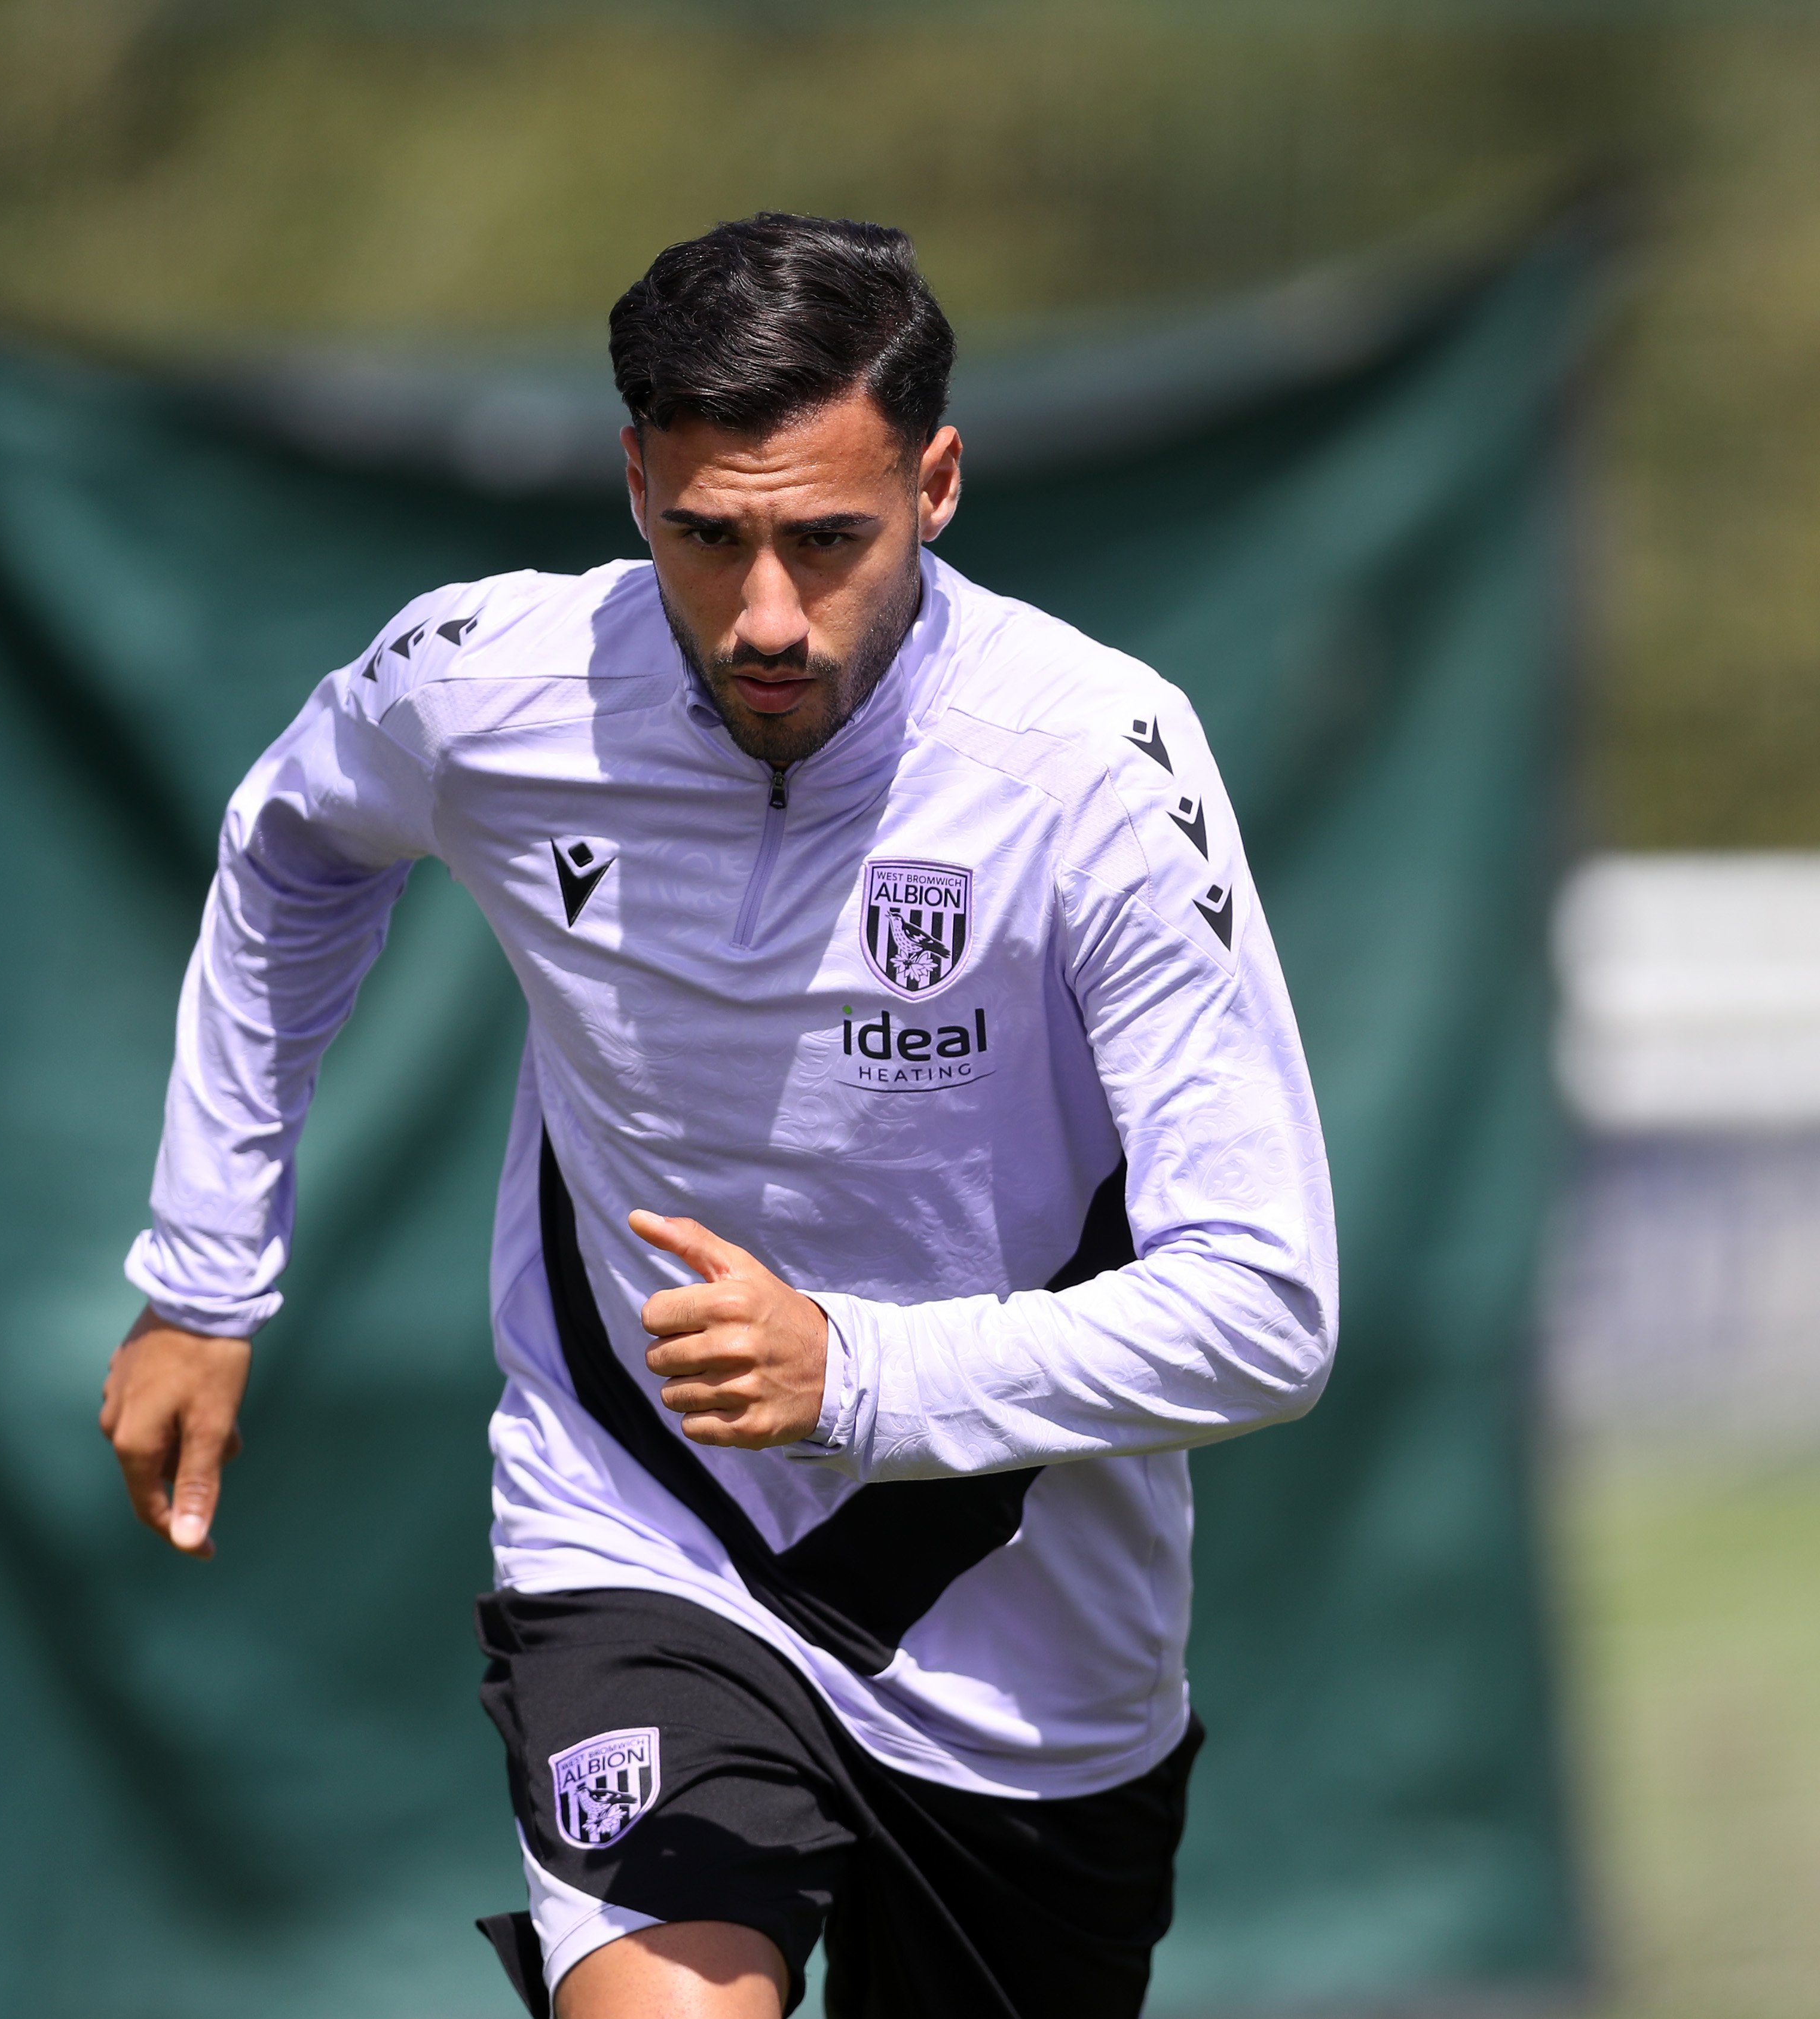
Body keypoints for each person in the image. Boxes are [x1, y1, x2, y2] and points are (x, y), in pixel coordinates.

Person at [100, 212, 1338, 2019]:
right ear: (631, 483)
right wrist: (207, 1265)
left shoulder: (1091, 767)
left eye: (826, 540)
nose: (764, 614)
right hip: (642, 1527)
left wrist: (852, 1375)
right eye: (704, 535)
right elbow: (290, 848)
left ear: (935, 480)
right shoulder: (485, 683)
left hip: (1025, 1651)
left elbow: (1266, 1309)